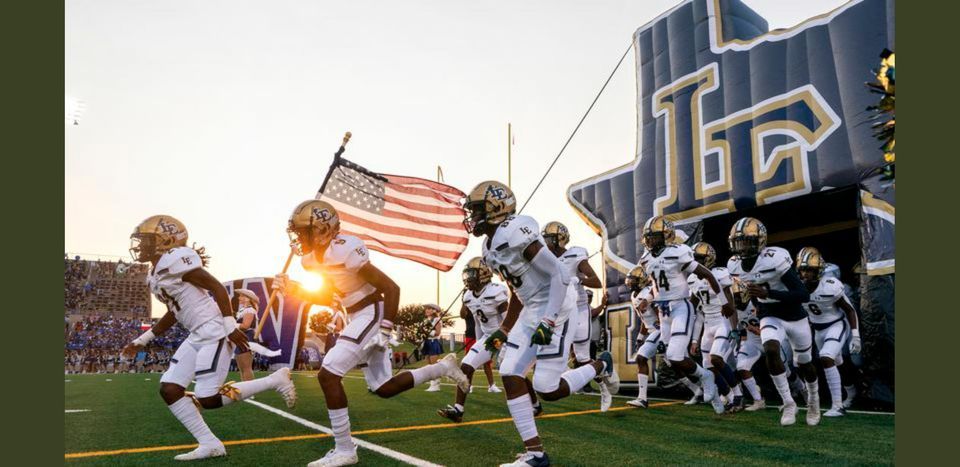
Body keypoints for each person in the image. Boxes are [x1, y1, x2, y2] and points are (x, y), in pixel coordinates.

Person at [279, 199, 469, 467]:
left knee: (328, 373)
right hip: (355, 314)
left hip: (372, 311)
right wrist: (295, 290)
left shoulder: (346, 249)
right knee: (383, 388)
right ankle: (441, 368)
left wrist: (385, 328)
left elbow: (391, 288)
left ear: (322, 230)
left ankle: (345, 449)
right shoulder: (310, 261)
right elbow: (330, 296)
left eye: (303, 231)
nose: (298, 237)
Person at [462, 180, 617, 467]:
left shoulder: (516, 233)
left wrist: (548, 319)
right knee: (509, 371)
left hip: (558, 306)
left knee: (547, 387)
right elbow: (518, 289)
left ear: (496, 209)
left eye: (477, 210)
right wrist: (506, 327)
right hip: (532, 309)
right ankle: (535, 455)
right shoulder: (489, 247)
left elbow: (559, 274)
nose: (472, 217)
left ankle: (600, 365)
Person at [122, 215, 297, 461]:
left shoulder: (175, 261)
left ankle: (275, 380)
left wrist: (228, 326)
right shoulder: (155, 275)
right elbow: (174, 311)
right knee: (170, 389)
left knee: (208, 398)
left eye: (147, 240)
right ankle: (209, 444)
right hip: (197, 333)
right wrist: (144, 339)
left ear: (167, 240)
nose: (140, 245)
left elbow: (216, 287)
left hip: (213, 330)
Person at [726, 217, 819, 426]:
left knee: (805, 363)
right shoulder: (733, 265)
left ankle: (813, 399)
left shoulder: (775, 258)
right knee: (770, 349)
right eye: (738, 242)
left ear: (760, 241)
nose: (742, 248)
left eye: (747, 242)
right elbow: (747, 295)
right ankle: (789, 403)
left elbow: (803, 294)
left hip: (794, 315)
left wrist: (769, 292)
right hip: (769, 314)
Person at [638, 216, 726, 414]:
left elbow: (708, 275)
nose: (650, 241)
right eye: (648, 237)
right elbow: (657, 285)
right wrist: (648, 299)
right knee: (673, 358)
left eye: (654, 236)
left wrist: (725, 302)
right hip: (663, 311)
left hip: (681, 306)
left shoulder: (679, 252)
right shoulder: (646, 258)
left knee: (676, 355)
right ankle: (714, 397)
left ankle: (706, 377)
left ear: (667, 236)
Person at [541, 221, 615, 409]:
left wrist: (576, 280)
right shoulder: (546, 261)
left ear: (560, 239)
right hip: (558, 312)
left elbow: (596, 281)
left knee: (582, 358)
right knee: (550, 351)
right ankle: (601, 373)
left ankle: (604, 388)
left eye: (549, 238)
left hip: (579, 309)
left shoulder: (575, 255)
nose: (545, 243)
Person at [438, 258, 521, 423]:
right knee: (466, 366)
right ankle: (458, 410)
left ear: (483, 274)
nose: (468, 277)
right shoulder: (469, 296)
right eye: (467, 274)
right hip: (487, 337)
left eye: (471, 273)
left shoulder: (495, 291)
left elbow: (509, 318)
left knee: (513, 372)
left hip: (505, 336)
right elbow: (478, 323)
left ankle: (534, 404)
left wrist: (508, 339)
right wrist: (476, 343)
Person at [796, 247, 861, 417]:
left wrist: (855, 335)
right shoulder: (797, 288)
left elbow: (849, 310)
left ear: (819, 270)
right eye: (803, 269)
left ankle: (838, 406)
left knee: (826, 357)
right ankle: (852, 392)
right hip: (818, 330)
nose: (806, 274)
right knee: (838, 362)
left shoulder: (830, 286)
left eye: (810, 270)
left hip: (836, 325)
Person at [687, 242, 740, 413]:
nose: (697, 262)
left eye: (700, 258)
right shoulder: (692, 279)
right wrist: (693, 338)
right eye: (695, 259)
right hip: (708, 323)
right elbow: (693, 308)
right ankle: (730, 397)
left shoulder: (721, 273)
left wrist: (734, 328)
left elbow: (730, 304)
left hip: (722, 321)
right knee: (708, 368)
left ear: (709, 258)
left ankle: (738, 394)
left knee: (717, 359)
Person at [624, 266, 659, 409]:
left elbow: (661, 315)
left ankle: (642, 398)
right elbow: (645, 320)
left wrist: (664, 335)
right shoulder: (634, 296)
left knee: (641, 357)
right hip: (652, 332)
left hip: (661, 330)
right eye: (630, 279)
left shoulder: (648, 293)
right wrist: (640, 337)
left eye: (633, 280)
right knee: (679, 364)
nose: (629, 282)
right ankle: (697, 389)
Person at [730, 279, 766, 412]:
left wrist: (759, 331)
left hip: (771, 340)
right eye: (734, 297)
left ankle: (802, 392)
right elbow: (741, 330)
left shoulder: (758, 305)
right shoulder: (734, 310)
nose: (736, 300)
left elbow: (776, 325)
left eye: (738, 296)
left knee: (787, 371)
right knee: (742, 367)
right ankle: (758, 400)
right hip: (752, 342)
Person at [233, 288, 259, 382]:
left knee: (246, 368)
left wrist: (232, 325)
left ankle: (250, 392)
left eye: (241, 296)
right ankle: (245, 390)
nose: (239, 298)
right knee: (242, 369)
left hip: (247, 337)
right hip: (241, 338)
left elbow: (245, 326)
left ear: (248, 298)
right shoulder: (243, 310)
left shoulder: (250, 310)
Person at [422, 304, 445, 392]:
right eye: (426, 309)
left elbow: (438, 332)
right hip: (427, 342)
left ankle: (436, 385)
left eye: (429, 309)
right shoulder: (425, 320)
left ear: (434, 310)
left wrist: (427, 331)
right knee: (429, 365)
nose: (426, 310)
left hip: (433, 342)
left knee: (433, 365)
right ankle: (433, 384)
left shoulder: (436, 319)